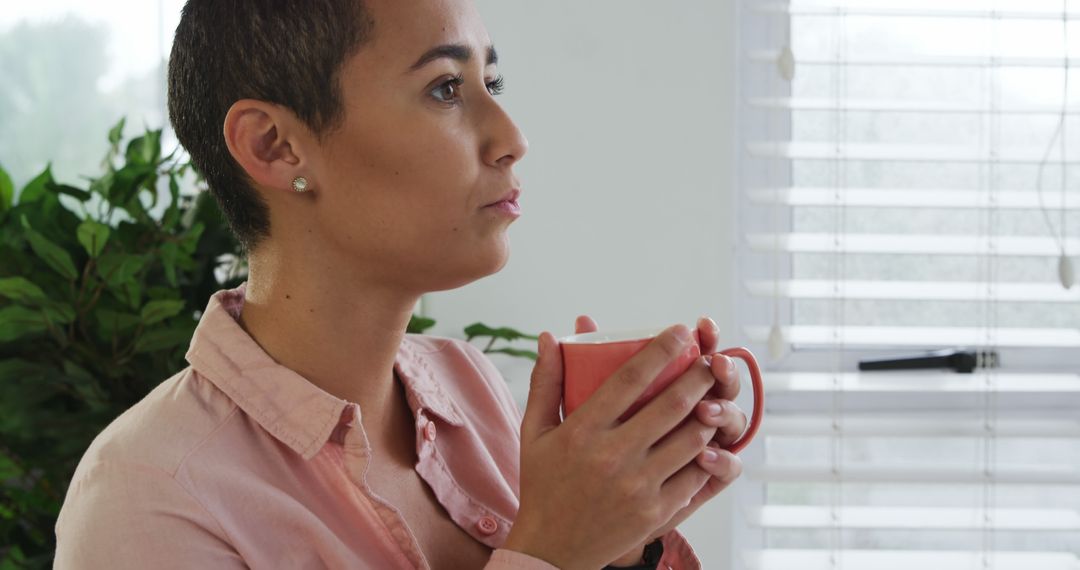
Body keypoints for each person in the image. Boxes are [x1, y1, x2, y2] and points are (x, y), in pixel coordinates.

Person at [52, 0, 747, 568]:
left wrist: (622, 537)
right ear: (274, 146)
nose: (510, 136)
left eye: (490, 85)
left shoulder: (472, 392)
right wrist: (550, 556)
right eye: (446, 88)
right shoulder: (150, 495)